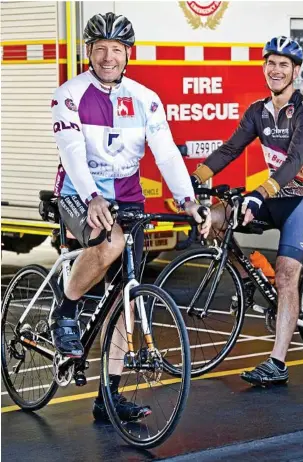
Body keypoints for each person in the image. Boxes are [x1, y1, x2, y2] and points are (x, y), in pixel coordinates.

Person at [50, 12, 211, 421]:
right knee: (111, 241)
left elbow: (168, 153)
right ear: (88, 52)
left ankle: (109, 396)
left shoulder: (144, 98)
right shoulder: (69, 94)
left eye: (116, 50)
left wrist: (188, 201)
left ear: (127, 54)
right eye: (100, 49)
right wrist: (91, 197)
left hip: (127, 199)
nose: (107, 58)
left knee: (125, 298)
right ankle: (65, 308)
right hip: (78, 194)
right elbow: (71, 152)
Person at [191, 36, 303, 386]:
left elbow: (295, 160)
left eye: (284, 64)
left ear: (296, 71)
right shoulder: (257, 111)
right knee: (220, 216)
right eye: (271, 63)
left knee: (286, 274)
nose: (276, 69)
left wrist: (259, 194)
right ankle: (245, 275)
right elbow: (228, 150)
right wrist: (193, 180)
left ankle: (277, 363)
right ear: (264, 67)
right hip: (274, 194)